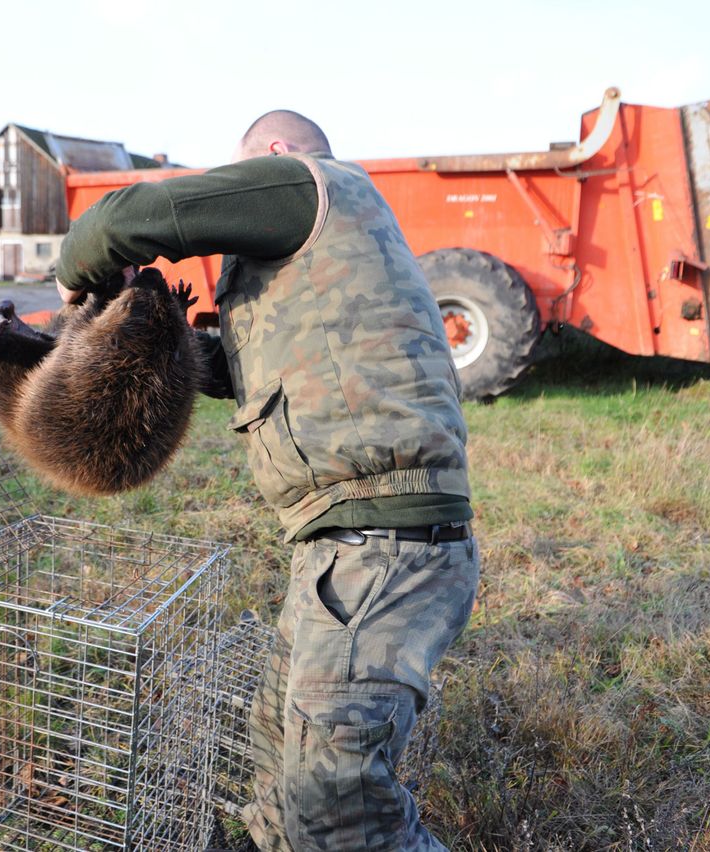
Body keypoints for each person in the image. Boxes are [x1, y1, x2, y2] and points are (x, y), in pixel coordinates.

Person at [55, 111, 478, 850]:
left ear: (273, 154)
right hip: (344, 544)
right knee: (278, 756)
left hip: (383, 544)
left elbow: (130, 218)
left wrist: (74, 276)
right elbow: (248, 372)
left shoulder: (308, 183)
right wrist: (141, 341)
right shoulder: (332, 254)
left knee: (338, 800)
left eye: (247, 166)